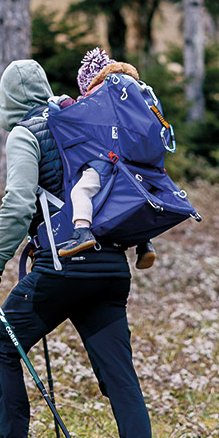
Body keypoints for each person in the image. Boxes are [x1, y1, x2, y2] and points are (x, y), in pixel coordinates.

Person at [0, 57, 163, 438]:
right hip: (111, 266)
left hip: (64, 266)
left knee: (0, 344)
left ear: (7, 101)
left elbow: (18, 203)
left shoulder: (26, 133)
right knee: (121, 381)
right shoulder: (79, 119)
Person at [59, 48, 156, 271]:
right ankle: (145, 243)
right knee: (131, 200)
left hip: (105, 161)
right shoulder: (131, 100)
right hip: (136, 163)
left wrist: (63, 103)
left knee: (81, 191)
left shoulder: (97, 98)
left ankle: (82, 231)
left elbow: (76, 114)